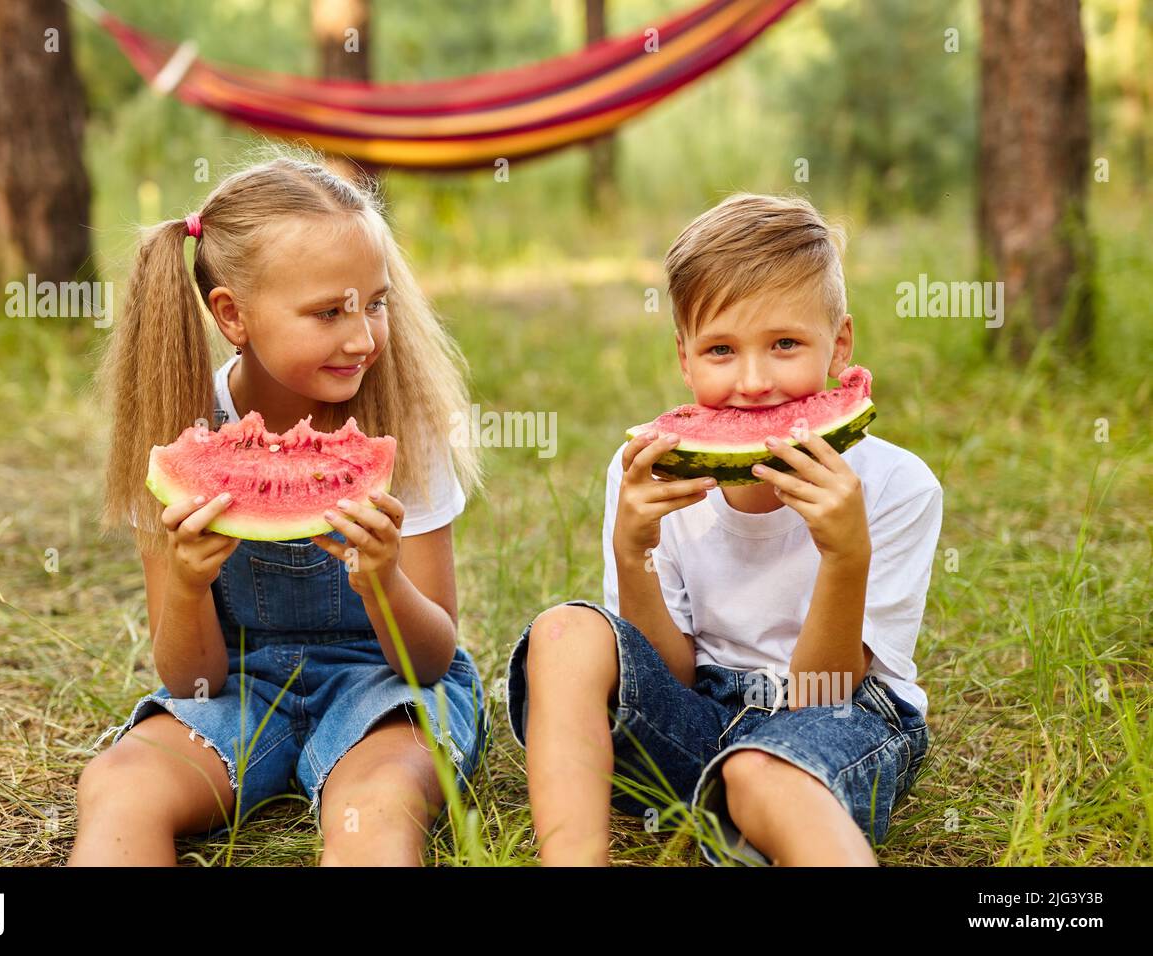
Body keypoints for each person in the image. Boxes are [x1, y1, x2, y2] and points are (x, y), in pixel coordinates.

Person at [70, 148, 487, 866]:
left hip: (386, 687)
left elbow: (429, 661)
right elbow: (189, 681)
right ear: (232, 314)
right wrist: (190, 583)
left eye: (375, 303)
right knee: (119, 784)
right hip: (239, 690)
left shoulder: (402, 423)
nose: (362, 338)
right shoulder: (178, 428)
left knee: (377, 805)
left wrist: (384, 581)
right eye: (329, 312)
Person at [506, 193, 941, 866]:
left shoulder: (896, 488)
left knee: (757, 771)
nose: (754, 382)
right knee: (563, 632)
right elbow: (673, 672)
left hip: (841, 719)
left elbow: (823, 691)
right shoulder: (649, 477)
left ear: (841, 344)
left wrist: (845, 554)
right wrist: (633, 553)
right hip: (701, 712)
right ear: (684, 358)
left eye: (786, 344)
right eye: (720, 350)